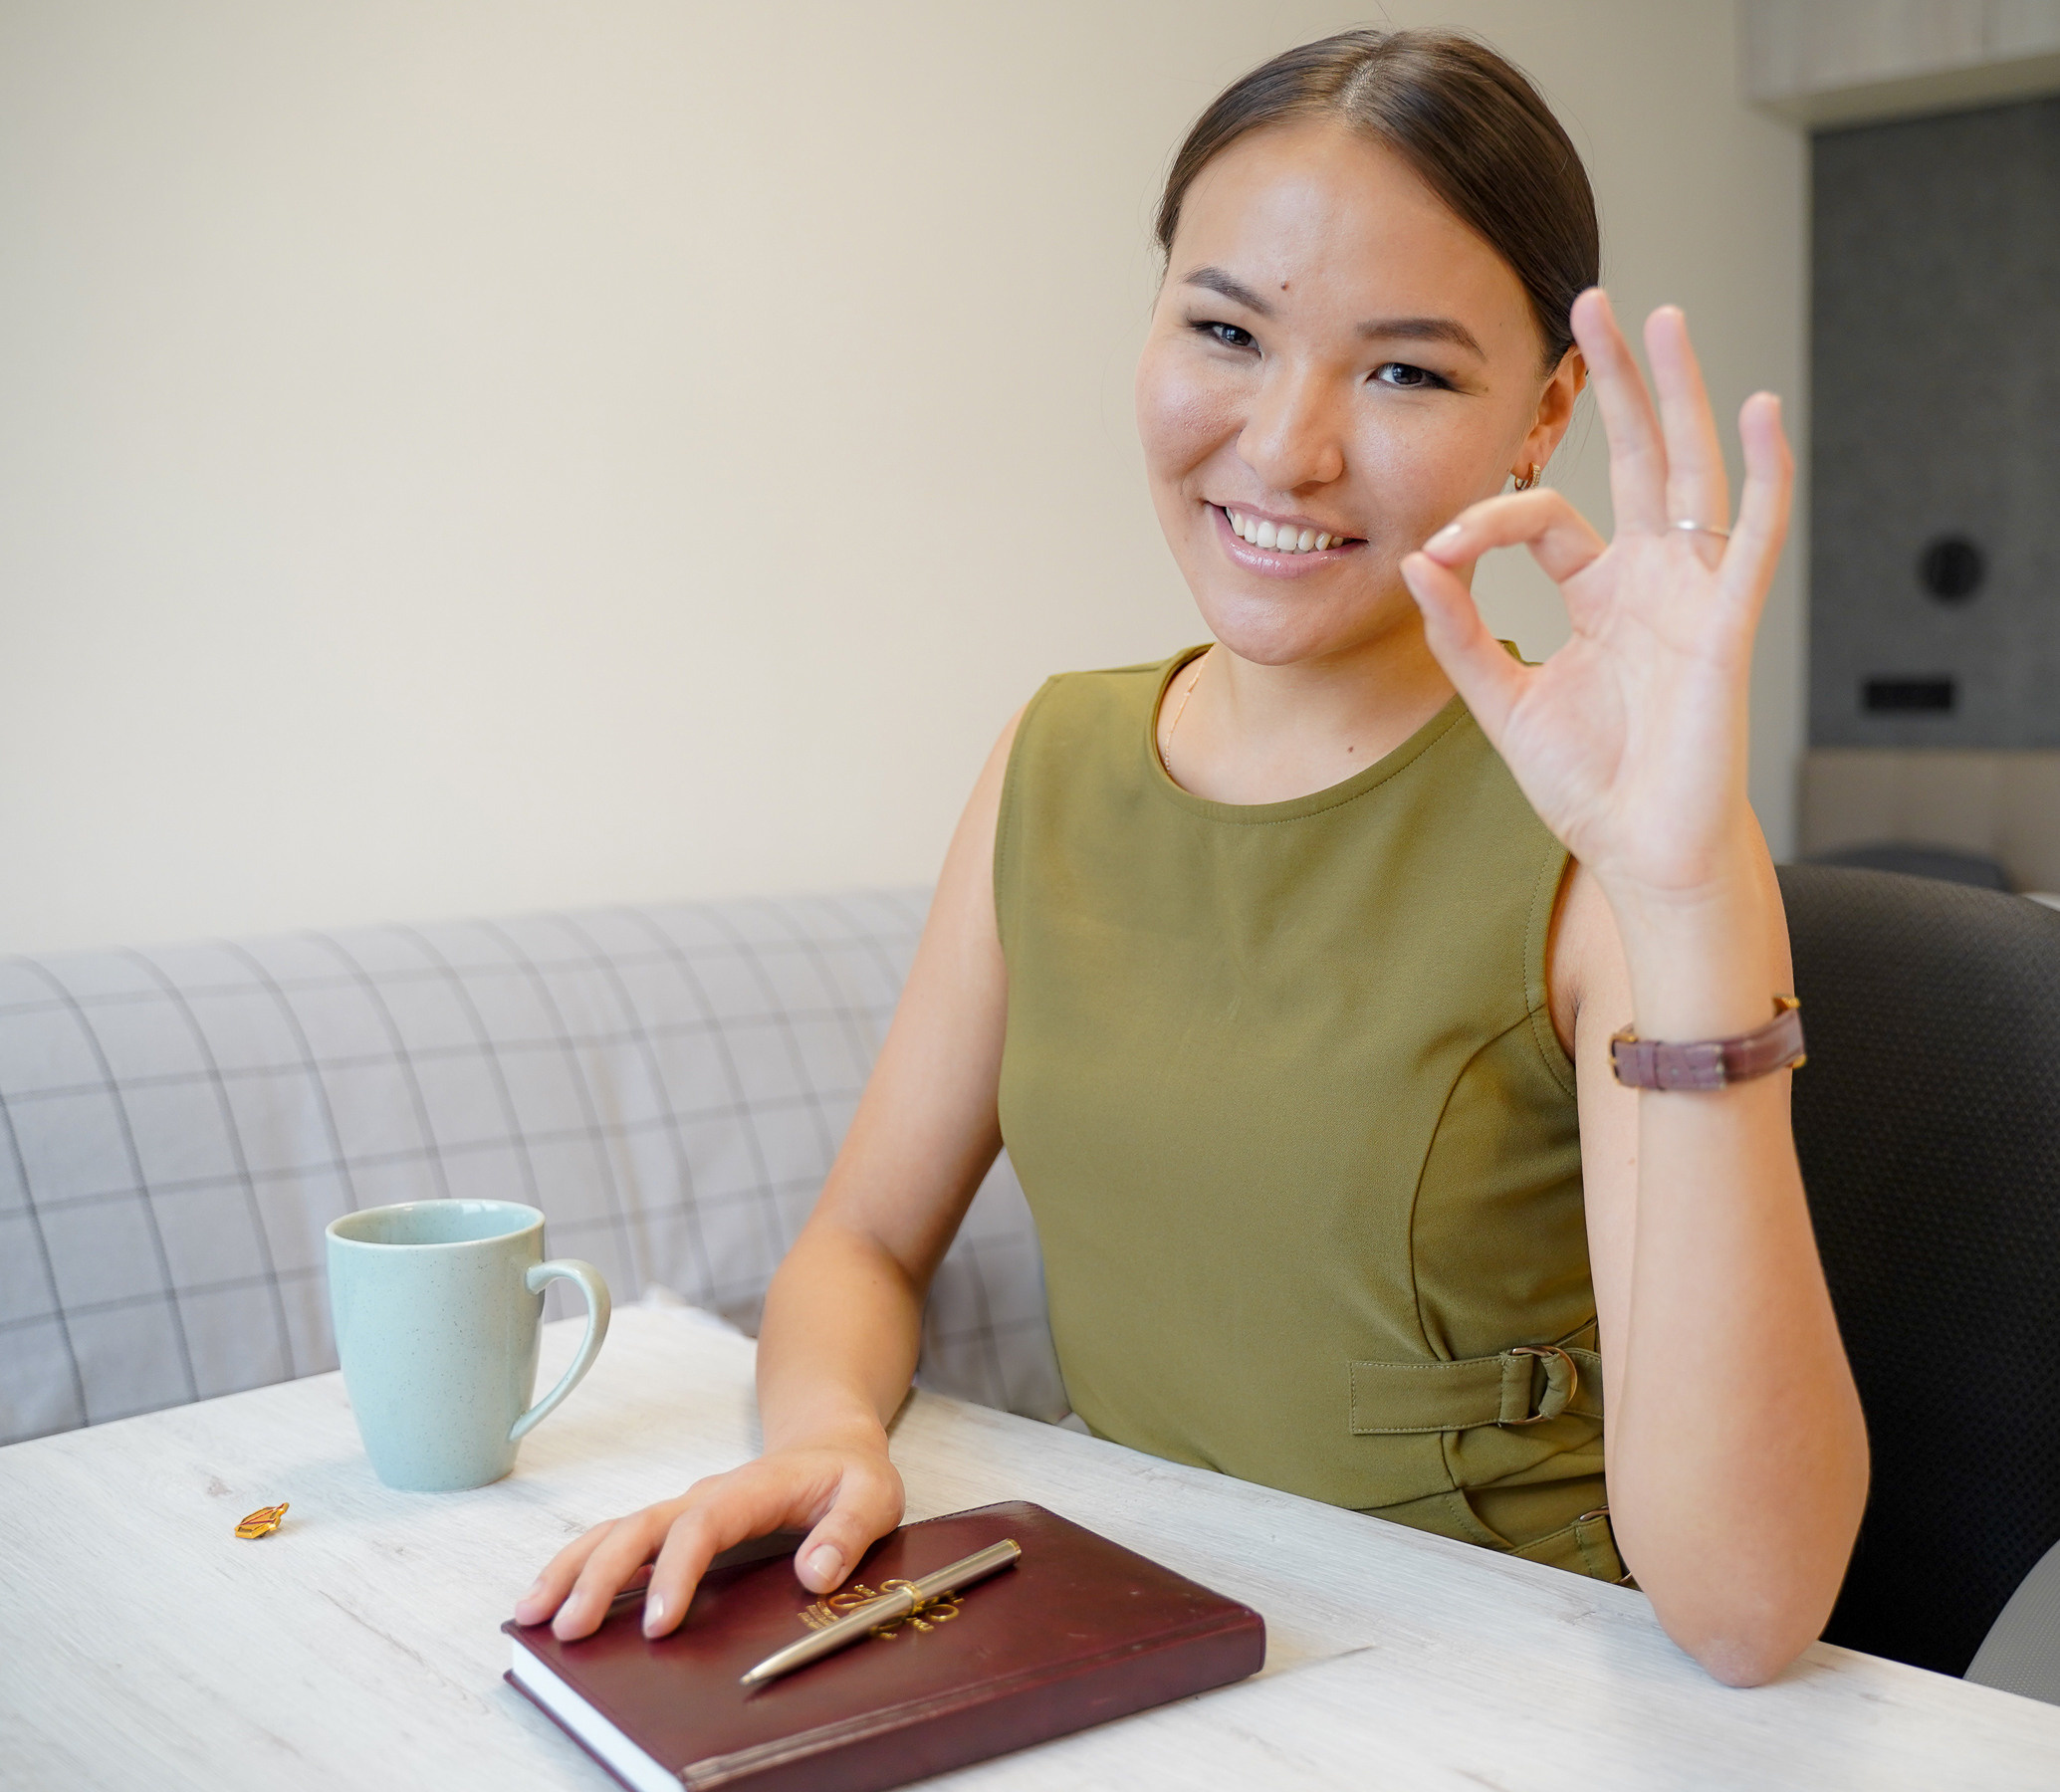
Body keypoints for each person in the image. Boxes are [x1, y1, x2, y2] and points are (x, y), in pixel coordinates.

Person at [515, 28, 1868, 1687]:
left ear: (1544, 413)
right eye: (1224, 330)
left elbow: (1746, 1617)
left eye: (1405, 372)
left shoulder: (1611, 843)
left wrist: (1681, 886)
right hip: (1141, 1651)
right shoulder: (1055, 759)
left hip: (1503, 1688)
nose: (1286, 446)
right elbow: (859, 1247)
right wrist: (820, 1436)